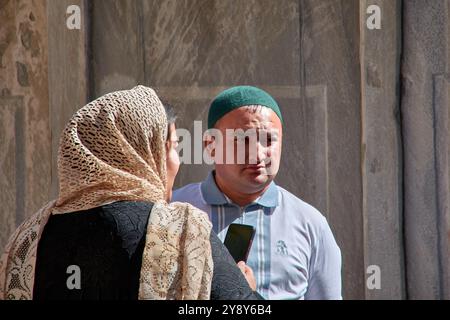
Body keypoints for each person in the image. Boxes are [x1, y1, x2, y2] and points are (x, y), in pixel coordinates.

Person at [0, 85, 261, 300]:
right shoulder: (182, 231)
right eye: (173, 147)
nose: (177, 161)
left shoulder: (26, 239)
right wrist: (246, 291)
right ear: (147, 152)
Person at [172, 85, 342, 300]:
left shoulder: (311, 226)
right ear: (211, 145)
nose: (258, 154)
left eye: (269, 140)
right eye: (243, 139)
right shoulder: (172, 212)